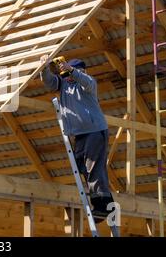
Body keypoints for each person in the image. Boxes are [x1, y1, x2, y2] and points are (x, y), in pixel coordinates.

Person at [40, 54, 115, 222]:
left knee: (93, 167)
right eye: (65, 73)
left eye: (70, 73)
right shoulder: (64, 85)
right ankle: (103, 204)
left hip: (95, 131)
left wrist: (72, 71)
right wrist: (44, 67)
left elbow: (87, 82)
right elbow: (50, 82)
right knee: (82, 167)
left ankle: (103, 206)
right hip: (79, 134)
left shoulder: (87, 84)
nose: (68, 77)